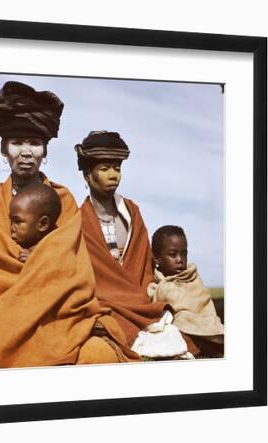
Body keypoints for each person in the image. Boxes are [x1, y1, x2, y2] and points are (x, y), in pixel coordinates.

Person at [0, 82, 138, 370]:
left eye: (34, 143)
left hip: (55, 312)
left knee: (99, 353)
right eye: (17, 142)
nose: (26, 152)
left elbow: (73, 271)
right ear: (3, 149)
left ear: (45, 151)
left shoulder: (64, 200)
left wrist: (40, 264)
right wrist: (37, 266)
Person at [75, 130, 198, 359]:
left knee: (177, 331)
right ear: (87, 175)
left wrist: (147, 291)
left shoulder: (131, 212)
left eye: (117, 168)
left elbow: (143, 264)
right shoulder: (77, 220)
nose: (114, 175)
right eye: (104, 169)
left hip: (139, 297)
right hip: (101, 300)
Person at [148, 225, 224, 357]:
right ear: (157, 258)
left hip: (207, 325)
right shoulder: (157, 285)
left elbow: (203, 302)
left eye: (184, 253)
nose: (180, 260)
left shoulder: (192, 277)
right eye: (173, 254)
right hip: (182, 331)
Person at [9, 183, 61, 263]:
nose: (12, 227)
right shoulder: (13, 245)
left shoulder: (58, 247)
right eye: (11, 221)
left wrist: (36, 262)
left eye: (18, 221)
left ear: (43, 224)